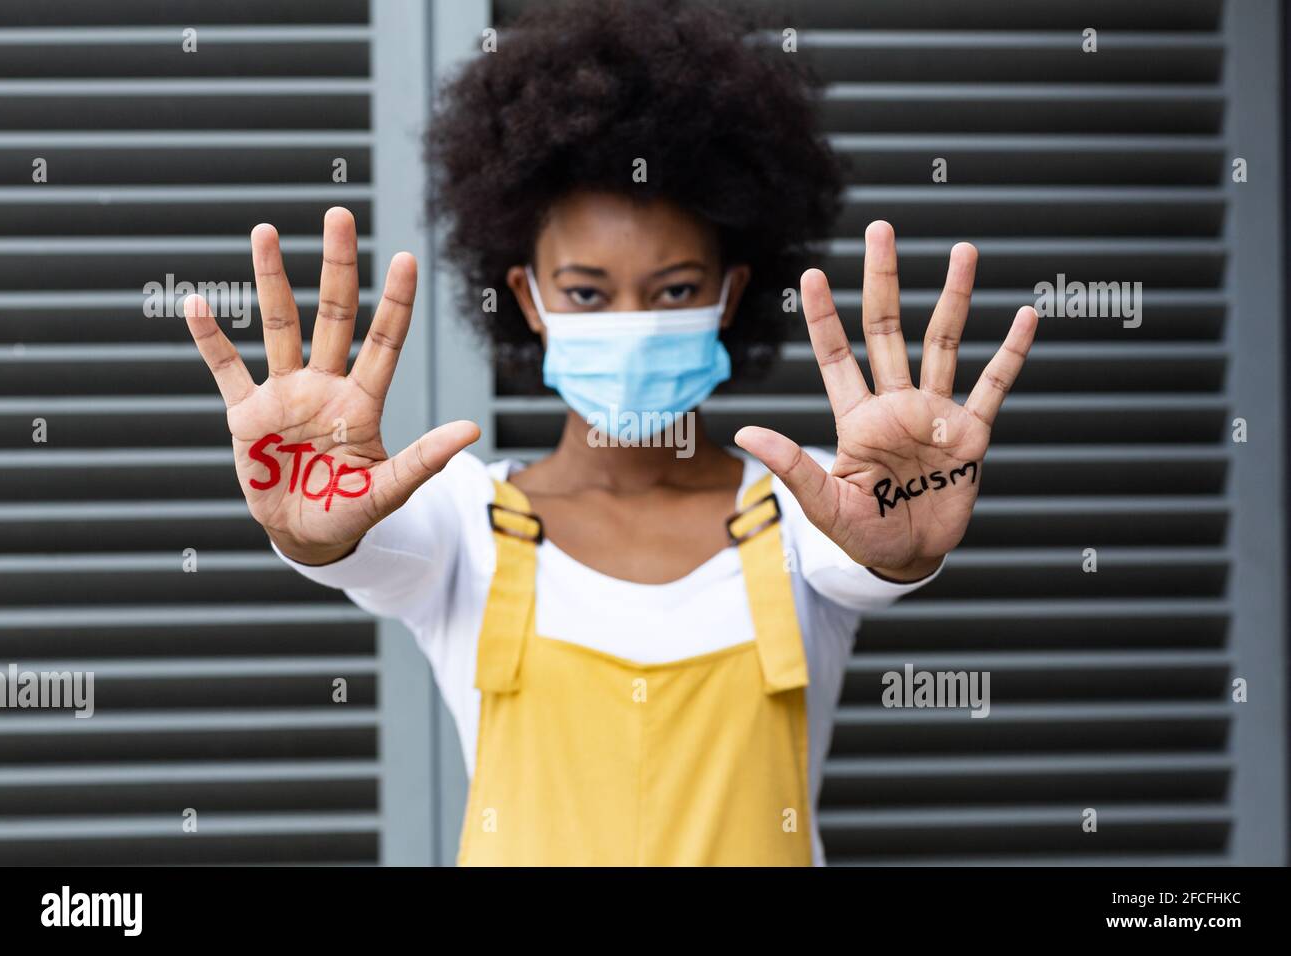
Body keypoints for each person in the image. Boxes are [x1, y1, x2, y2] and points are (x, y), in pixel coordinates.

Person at [183, 0, 1037, 866]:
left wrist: (906, 548)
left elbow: (872, 550)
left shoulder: (813, 501)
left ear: (730, 296)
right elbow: (354, 540)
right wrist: (302, 528)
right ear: (528, 298)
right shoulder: (460, 520)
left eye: (672, 290)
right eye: (588, 292)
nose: (630, 319)